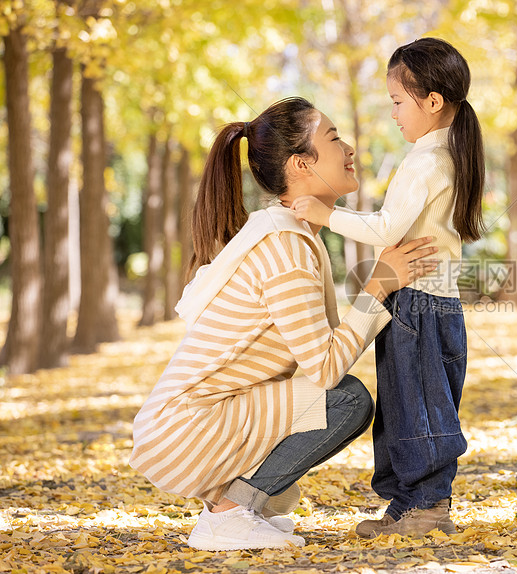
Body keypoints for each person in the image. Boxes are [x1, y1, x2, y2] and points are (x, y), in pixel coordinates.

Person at [129, 97, 439, 552]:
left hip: (189, 423)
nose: (349, 148)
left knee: (342, 398)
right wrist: (378, 287)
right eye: (333, 139)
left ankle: (237, 506)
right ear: (300, 164)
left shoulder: (290, 236)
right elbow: (326, 370)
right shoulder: (286, 248)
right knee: (347, 399)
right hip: (184, 429)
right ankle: (230, 513)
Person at [290, 38, 485, 538]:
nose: (394, 113)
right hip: (424, 299)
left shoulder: (427, 161)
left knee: (418, 403)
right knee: (404, 402)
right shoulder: (444, 155)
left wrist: (325, 214)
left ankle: (427, 506)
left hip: (418, 301)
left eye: (399, 102)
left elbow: (385, 230)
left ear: (432, 101)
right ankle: (406, 505)